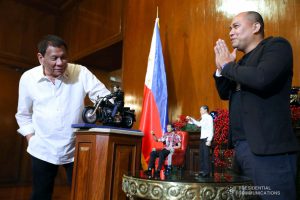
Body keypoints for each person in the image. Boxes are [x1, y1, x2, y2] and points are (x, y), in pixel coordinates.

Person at [213, 11, 299, 200]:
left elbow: (261, 79)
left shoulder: (276, 46)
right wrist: (221, 70)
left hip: (269, 151)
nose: (230, 33)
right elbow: (225, 93)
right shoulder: (240, 62)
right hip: (242, 149)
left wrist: (228, 66)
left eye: (236, 26)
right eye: (229, 28)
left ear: (256, 27)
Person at [15, 35, 111, 200]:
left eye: (63, 57)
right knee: (40, 195)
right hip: (42, 148)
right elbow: (23, 114)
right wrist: (32, 139)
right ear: (41, 58)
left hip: (76, 148)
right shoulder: (28, 78)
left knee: (82, 194)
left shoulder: (80, 72)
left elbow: (104, 97)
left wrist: (111, 104)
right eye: (54, 58)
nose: (60, 63)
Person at [187, 105, 214, 177]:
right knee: (202, 155)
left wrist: (209, 140)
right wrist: (191, 119)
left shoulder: (209, 117)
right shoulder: (203, 118)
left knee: (206, 156)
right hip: (202, 138)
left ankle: (206, 172)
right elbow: (199, 124)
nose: (200, 111)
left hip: (206, 138)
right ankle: (202, 171)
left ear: (205, 110)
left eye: (201, 110)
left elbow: (211, 129)